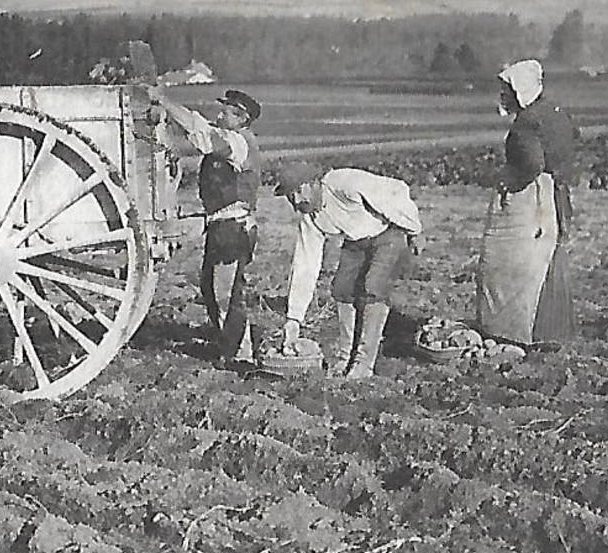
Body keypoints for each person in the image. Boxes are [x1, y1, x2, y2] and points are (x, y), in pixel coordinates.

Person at [276, 165, 423, 378]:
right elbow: (305, 266)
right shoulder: (311, 218)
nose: (297, 200)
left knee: (373, 287)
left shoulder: (344, 183)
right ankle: (345, 356)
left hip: (388, 232)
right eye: (291, 196)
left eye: (300, 191)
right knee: (342, 289)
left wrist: (414, 230)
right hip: (356, 242)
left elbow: (395, 191)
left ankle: (364, 363)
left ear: (315, 183)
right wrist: (294, 319)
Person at [151, 87, 264, 361]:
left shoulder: (239, 142)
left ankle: (240, 355)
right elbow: (198, 128)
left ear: (240, 118)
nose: (220, 114)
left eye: (225, 111)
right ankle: (231, 345)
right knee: (211, 288)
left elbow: (204, 136)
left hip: (233, 227)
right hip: (221, 225)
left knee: (225, 292)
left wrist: (163, 101)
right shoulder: (230, 138)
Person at [475, 58, 580, 346]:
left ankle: (512, 331)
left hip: (534, 198)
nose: (502, 96)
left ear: (519, 91)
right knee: (548, 260)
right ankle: (551, 331)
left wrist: (508, 183)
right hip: (557, 193)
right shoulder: (555, 113)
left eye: (506, 91)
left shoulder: (526, 123)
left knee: (510, 263)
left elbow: (531, 164)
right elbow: (573, 142)